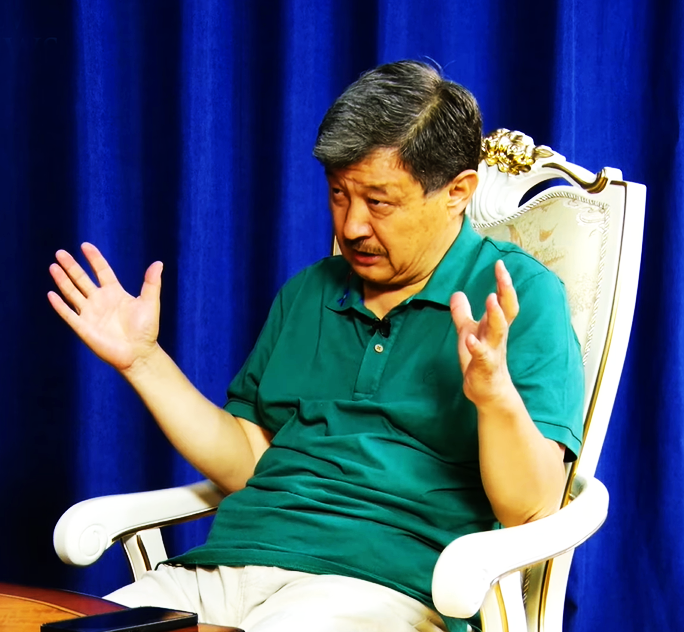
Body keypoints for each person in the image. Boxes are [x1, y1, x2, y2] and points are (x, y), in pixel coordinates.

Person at [47, 60, 584, 632]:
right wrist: (143, 361)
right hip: (223, 568)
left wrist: (495, 395)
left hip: (377, 586)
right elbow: (250, 458)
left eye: (379, 202)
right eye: (338, 194)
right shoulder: (309, 291)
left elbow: (531, 508)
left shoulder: (518, 296)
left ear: (457, 193)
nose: (350, 226)